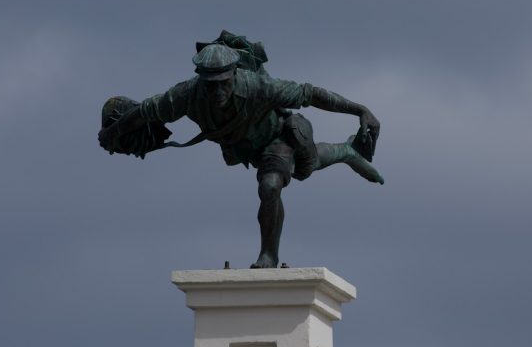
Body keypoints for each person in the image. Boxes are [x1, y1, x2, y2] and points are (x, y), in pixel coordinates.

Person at [98, 43, 383, 268]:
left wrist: (360, 110)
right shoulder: (186, 95)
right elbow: (145, 111)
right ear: (200, 79)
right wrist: (114, 133)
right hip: (245, 147)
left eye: (223, 82)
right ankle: (347, 151)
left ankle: (269, 254)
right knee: (277, 181)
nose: (216, 90)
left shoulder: (260, 87)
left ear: (234, 75)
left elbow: (312, 94)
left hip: (279, 136)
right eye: (210, 84)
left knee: (282, 179)